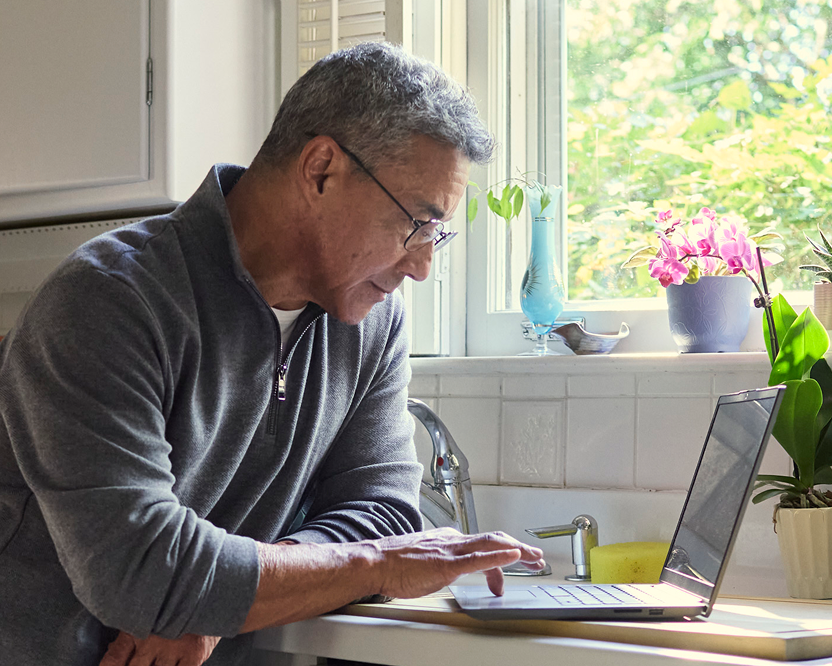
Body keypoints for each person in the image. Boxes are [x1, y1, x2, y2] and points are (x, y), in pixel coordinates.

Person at [0, 41, 544, 666]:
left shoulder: (371, 322)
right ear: (321, 170)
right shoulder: (108, 301)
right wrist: (367, 567)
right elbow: (141, 573)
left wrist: (210, 600)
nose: (421, 266)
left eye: (437, 236)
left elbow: (387, 512)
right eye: (415, 224)